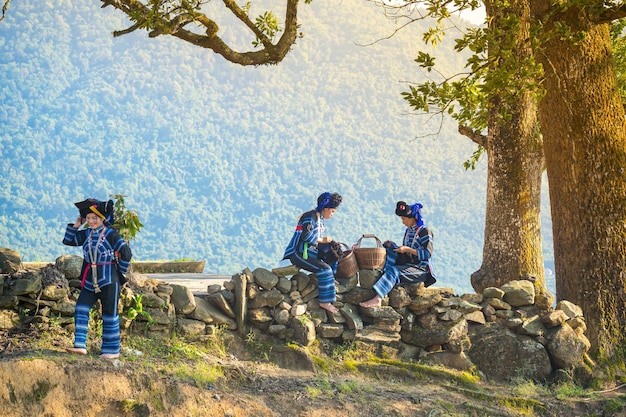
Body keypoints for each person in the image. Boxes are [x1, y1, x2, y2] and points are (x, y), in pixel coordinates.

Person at [63, 198, 132, 359]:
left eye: (95, 218)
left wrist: (119, 273)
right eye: (89, 218)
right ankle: (80, 345)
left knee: (109, 313)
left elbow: (126, 253)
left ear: (102, 219)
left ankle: (111, 350)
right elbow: (69, 240)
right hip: (89, 280)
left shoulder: (110, 234)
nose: (92, 221)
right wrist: (76, 225)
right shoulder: (87, 233)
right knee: (81, 308)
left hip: (109, 280)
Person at [359, 201, 436, 308]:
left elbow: (427, 254)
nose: (403, 222)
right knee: (389, 250)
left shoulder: (425, 232)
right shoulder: (408, 231)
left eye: (404, 219)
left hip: (420, 269)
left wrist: (408, 249)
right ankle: (382, 275)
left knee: (394, 271)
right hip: (408, 264)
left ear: (413, 218)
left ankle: (377, 298)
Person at [283, 192, 342, 314]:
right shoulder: (311, 217)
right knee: (325, 269)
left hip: (309, 251)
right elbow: (305, 236)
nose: (332, 215)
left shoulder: (320, 218)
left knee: (333, 253)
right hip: (298, 253)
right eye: (332, 212)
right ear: (326, 209)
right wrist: (322, 240)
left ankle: (331, 278)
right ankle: (325, 302)